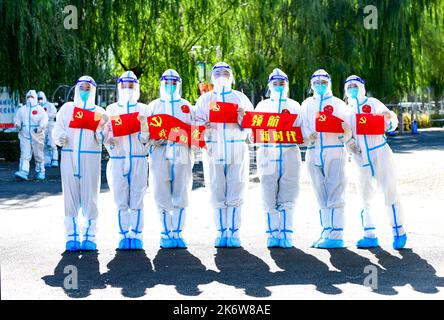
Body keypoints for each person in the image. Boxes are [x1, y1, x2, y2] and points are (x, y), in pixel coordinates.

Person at [194, 62, 254, 248]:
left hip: (237, 149)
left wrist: (243, 119)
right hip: (213, 150)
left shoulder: (240, 97)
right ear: (212, 76)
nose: (221, 76)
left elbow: (252, 127)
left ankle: (234, 232)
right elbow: (195, 125)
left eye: (225, 72)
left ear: (231, 76)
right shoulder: (205, 100)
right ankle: (221, 232)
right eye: (217, 72)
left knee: (236, 189)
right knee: (216, 189)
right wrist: (204, 127)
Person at [344, 75, 407, 250]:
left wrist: (389, 119)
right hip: (360, 158)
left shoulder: (372, 103)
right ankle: (369, 234)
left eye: (355, 86)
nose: (352, 90)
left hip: (380, 152)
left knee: (390, 191)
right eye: (349, 87)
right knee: (364, 196)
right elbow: (345, 131)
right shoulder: (347, 110)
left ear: (362, 87)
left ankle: (399, 231)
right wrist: (349, 143)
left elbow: (389, 121)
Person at [52, 76, 108, 252]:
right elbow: (57, 129)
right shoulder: (67, 108)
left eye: (88, 88)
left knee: (90, 196)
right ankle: (72, 236)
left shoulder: (99, 111)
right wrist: (59, 137)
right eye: (82, 88)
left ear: (93, 90)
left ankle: (90, 236)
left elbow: (101, 139)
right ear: (77, 89)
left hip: (90, 159)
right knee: (70, 196)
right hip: (69, 157)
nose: (85, 91)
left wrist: (102, 127)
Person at [301, 69, 352, 249]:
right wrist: (308, 136)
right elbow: (302, 126)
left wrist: (345, 134)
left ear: (329, 83)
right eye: (316, 83)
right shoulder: (306, 104)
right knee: (320, 193)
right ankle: (326, 231)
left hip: (334, 151)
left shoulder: (338, 103)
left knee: (335, 191)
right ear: (312, 84)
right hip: (313, 151)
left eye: (323, 82)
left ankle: (337, 234)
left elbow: (348, 127)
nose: (320, 86)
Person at [146, 69, 195, 249]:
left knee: (181, 192)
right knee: (161, 192)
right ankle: (165, 232)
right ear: (161, 84)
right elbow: (144, 133)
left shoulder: (186, 106)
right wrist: (152, 139)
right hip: (159, 153)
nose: (171, 86)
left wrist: (200, 134)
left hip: (181, 152)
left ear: (179, 85)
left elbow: (195, 132)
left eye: (174, 83)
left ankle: (178, 233)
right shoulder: (153, 106)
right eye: (167, 83)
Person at [255, 68, 303, 248]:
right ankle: (272, 234)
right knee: (268, 193)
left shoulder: (294, 105)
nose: (278, 86)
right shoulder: (262, 106)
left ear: (287, 84)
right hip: (267, 153)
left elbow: (302, 130)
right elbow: (254, 132)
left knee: (288, 192)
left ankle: (286, 234)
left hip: (290, 152)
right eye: (275, 83)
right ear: (269, 85)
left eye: (282, 83)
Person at [105, 71, 150, 250]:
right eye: (124, 86)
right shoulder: (111, 109)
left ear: (137, 87)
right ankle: (123, 235)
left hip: (139, 159)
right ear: (119, 87)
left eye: (131, 86)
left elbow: (148, 138)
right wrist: (108, 139)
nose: (127, 89)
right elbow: (105, 134)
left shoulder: (144, 109)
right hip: (117, 159)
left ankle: (137, 235)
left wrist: (144, 125)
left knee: (137, 198)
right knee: (120, 198)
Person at [14, 90, 48, 181]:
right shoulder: (22, 109)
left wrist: (40, 127)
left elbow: (44, 119)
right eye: (28, 97)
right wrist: (17, 124)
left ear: (35, 98)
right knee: (25, 154)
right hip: (25, 135)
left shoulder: (39, 109)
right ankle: (23, 172)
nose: (30, 99)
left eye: (32, 97)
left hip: (37, 135)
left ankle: (41, 172)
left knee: (38, 154)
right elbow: (17, 119)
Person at [38, 91, 59, 168]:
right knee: (44, 144)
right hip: (42, 126)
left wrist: (45, 115)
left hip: (50, 125)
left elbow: (54, 114)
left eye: (41, 98)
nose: (40, 100)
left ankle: (54, 159)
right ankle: (47, 161)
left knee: (52, 143)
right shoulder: (37, 107)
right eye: (38, 98)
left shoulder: (50, 105)